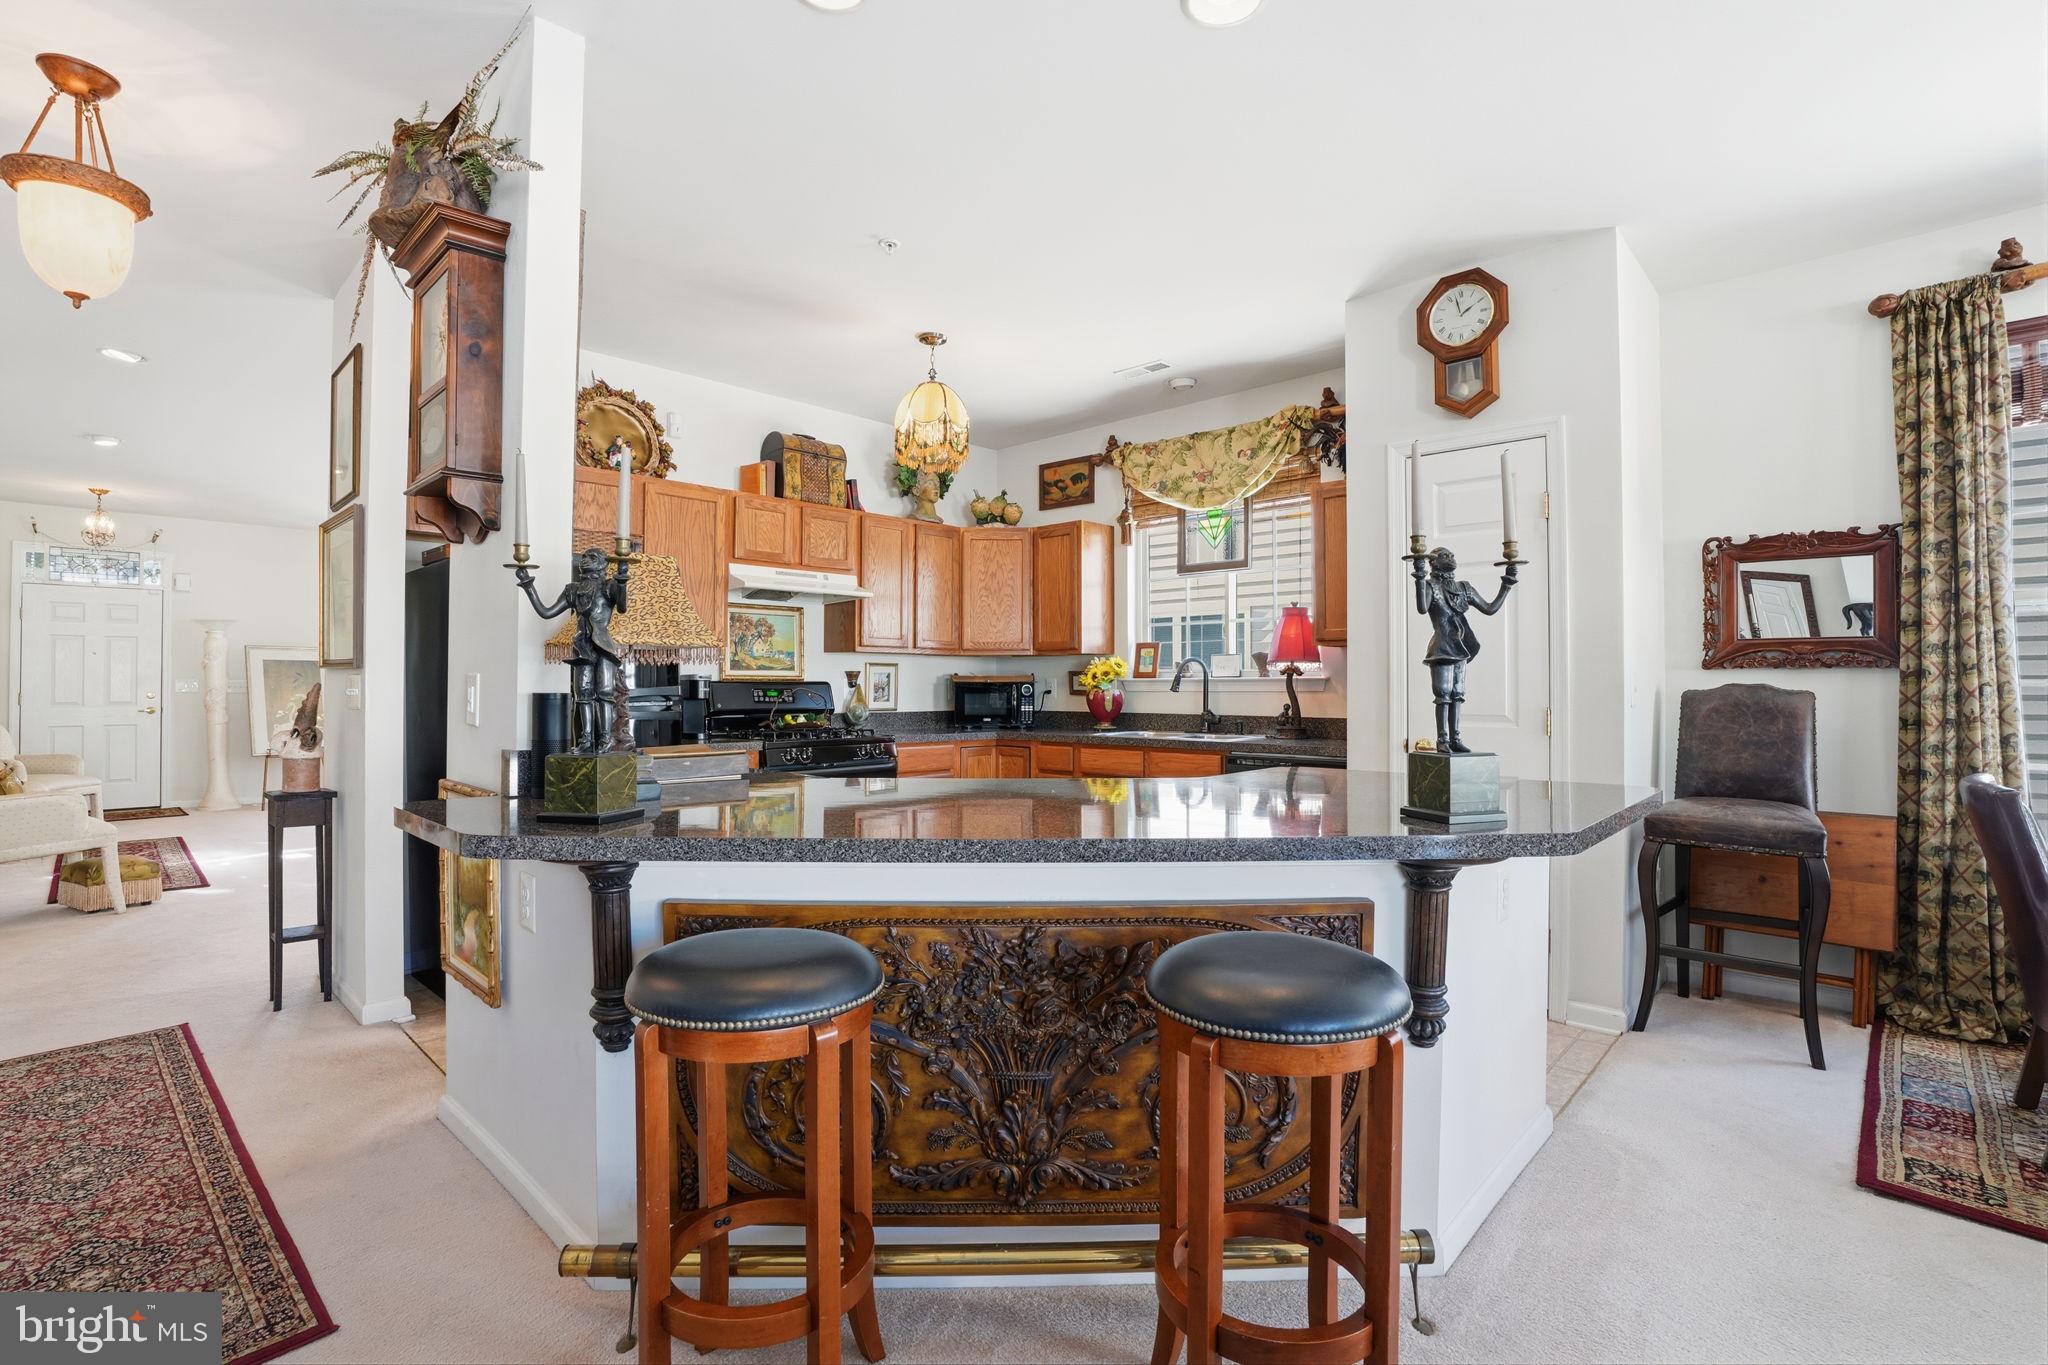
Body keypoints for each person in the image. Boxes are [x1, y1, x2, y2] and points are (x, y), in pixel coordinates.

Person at [517, 546, 630, 753]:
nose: (585, 560)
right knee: (583, 695)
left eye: (592, 557)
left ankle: (606, 740)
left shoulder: (608, 587)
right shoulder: (573, 590)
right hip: (582, 647)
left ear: (603, 564)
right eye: (584, 557)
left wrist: (622, 579)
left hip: (604, 647)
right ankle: (586, 740)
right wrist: (527, 586)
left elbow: (622, 607)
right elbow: (546, 611)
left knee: (605, 693)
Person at [1410, 546, 1517, 753]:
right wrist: (1420, 576)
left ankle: (1455, 738)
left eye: (1452, 555)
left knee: (1458, 693)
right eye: (1444, 556)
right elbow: (1422, 608)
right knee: (1443, 694)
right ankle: (1442, 740)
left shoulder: (1463, 587)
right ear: (1433, 562)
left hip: (1461, 646)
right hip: (1442, 647)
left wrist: (1507, 583)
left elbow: (1489, 608)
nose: (1450, 558)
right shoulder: (1431, 586)